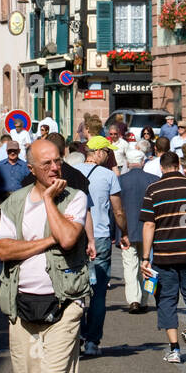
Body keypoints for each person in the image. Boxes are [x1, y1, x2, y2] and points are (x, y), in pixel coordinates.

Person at [0, 139, 90, 373]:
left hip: (64, 303)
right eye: (47, 163)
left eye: (57, 161)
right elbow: (4, 250)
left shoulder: (75, 198)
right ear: (31, 168)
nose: (55, 168)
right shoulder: (13, 204)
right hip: (21, 306)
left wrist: (50, 200)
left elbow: (67, 238)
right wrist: (44, 241)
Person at [140, 149, 186, 363]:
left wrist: (146, 257)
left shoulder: (153, 190)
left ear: (162, 168)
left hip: (164, 256)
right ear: (181, 167)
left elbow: (148, 224)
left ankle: (174, 349)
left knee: (166, 300)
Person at [80, 139, 127, 357]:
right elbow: (118, 211)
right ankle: (92, 342)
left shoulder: (70, 171)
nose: (109, 156)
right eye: (107, 152)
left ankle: (77, 334)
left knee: (75, 290)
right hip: (99, 236)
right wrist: (124, 233)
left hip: (75, 237)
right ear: (97, 152)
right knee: (98, 294)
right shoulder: (108, 175)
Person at [119, 144, 155, 312]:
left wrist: (119, 231)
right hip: (150, 230)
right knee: (148, 265)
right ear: (142, 161)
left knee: (130, 265)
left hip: (128, 230)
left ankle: (134, 299)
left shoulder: (121, 181)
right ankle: (146, 299)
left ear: (127, 163)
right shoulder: (154, 180)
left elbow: (117, 209)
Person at [0, 140, 33, 205]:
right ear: (6, 151)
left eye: (15, 150)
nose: (12, 153)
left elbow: (31, 185)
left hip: (20, 200)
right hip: (4, 199)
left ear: (19, 151)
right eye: (10, 151)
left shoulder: (25, 166)